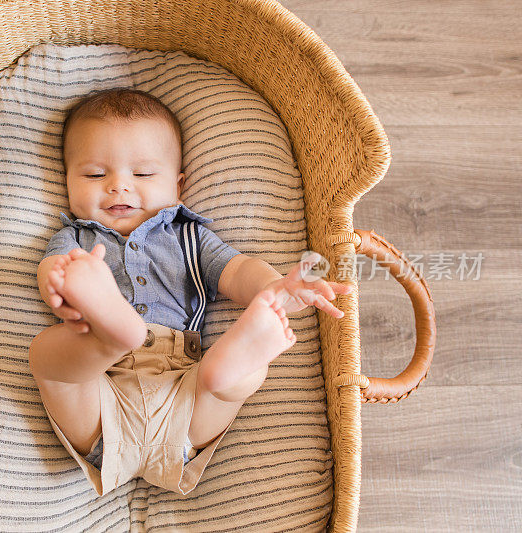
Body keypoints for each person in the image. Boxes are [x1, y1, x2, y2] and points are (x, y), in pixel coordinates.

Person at [28, 88, 351, 496]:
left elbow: (237, 271)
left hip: (183, 386)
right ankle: (112, 336)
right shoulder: (74, 238)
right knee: (47, 356)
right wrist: (57, 278)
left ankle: (231, 361)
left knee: (230, 380)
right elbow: (48, 273)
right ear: (67, 180)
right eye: (95, 175)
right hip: (100, 394)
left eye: (142, 174)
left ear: (178, 186)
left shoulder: (189, 238)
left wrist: (273, 285)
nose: (119, 187)